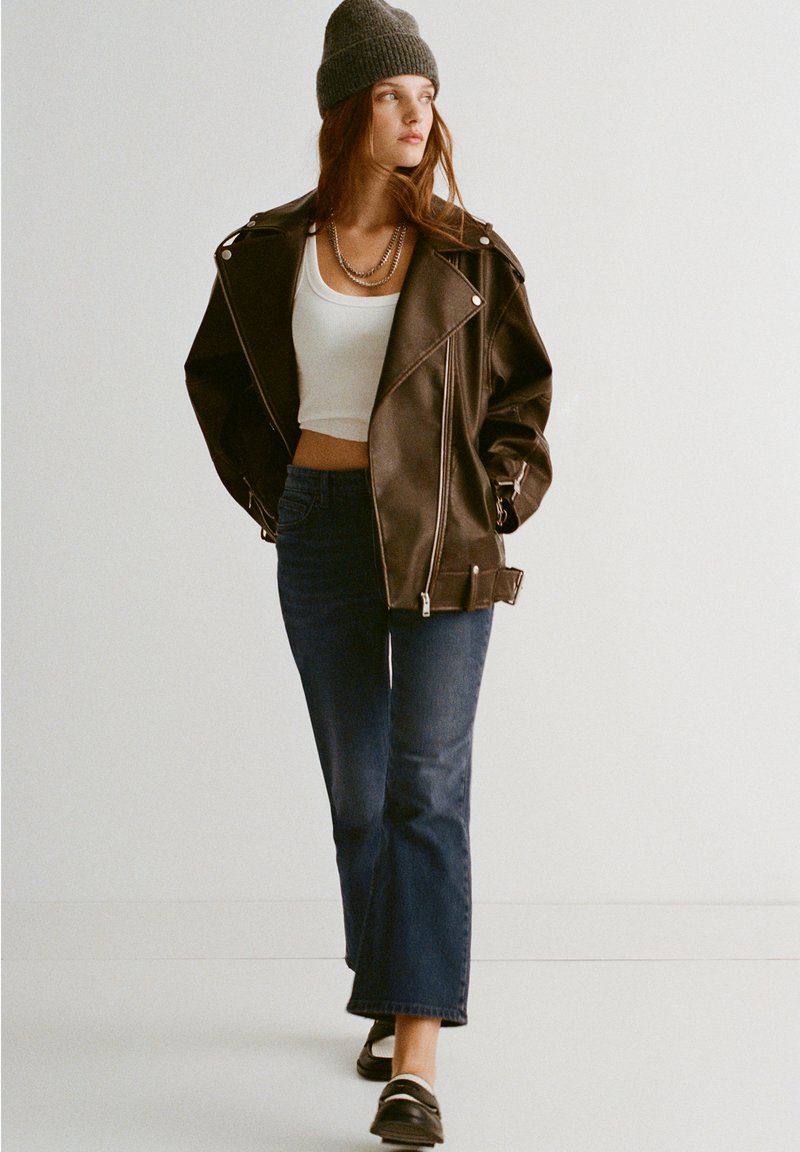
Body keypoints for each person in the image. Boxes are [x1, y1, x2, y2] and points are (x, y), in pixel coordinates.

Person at [185, 0, 552, 1143]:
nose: (415, 114)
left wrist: (492, 502)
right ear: (346, 110)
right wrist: (279, 497)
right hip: (321, 528)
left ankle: (416, 1059)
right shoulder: (267, 253)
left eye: (425, 95)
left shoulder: (464, 253)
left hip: (440, 533)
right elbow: (216, 381)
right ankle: (388, 987)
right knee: (356, 793)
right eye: (392, 94)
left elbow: (523, 397)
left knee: (424, 786)